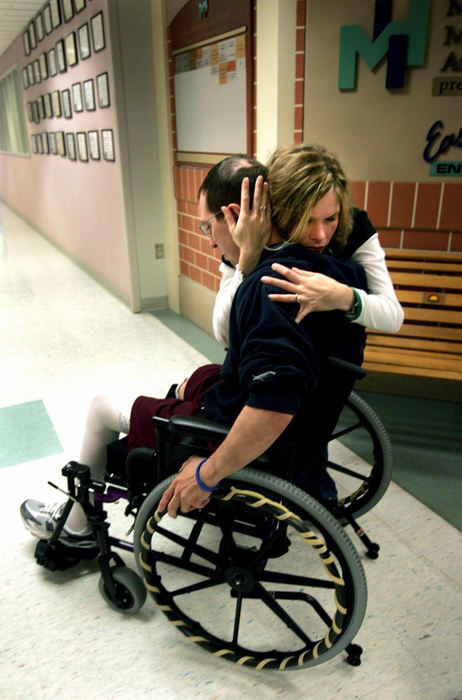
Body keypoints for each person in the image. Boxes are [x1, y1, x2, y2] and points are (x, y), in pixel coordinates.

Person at [21, 154, 367, 541]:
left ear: (234, 215)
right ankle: (171, 411)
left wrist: (207, 473)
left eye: (207, 225)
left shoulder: (270, 286)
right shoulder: (341, 275)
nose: (208, 238)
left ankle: (76, 526)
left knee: (101, 407)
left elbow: (273, 406)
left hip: (240, 434)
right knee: (197, 377)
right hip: (304, 427)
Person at [212, 143, 403, 349]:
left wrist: (342, 296)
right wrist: (247, 258)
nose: (320, 236)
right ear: (279, 213)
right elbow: (223, 334)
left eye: (331, 218)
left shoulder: (356, 227)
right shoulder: (255, 231)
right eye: (306, 220)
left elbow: (393, 316)